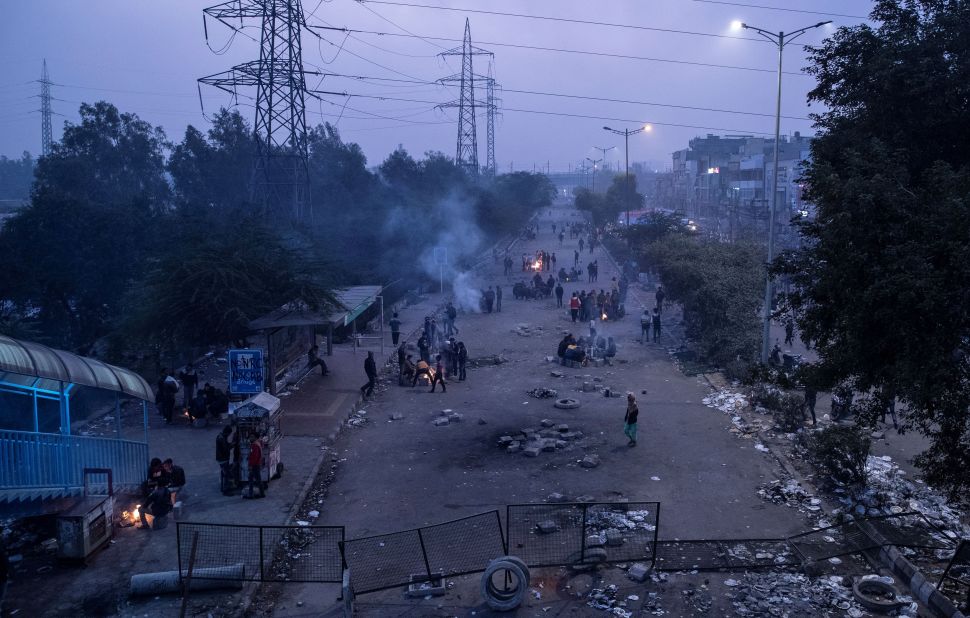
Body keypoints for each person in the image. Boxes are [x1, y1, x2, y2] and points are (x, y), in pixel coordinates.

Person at [244, 433, 266, 499]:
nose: (250, 438)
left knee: (251, 480)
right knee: (257, 480)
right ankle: (262, 493)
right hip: (257, 464)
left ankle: (251, 495)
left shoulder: (254, 445)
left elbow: (254, 457)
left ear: (255, 438)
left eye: (252, 437)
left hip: (254, 465)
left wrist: (250, 465)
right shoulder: (257, 443)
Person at [216, 426, 236, 495]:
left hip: (222, 458)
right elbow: (225, 449)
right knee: (226, 474)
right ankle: (226, 490)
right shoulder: (221, 438)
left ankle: (223, 488)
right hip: (223, 459)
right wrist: (233, 444)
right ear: (227, 432)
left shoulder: (221, 436)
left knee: (224, 473)